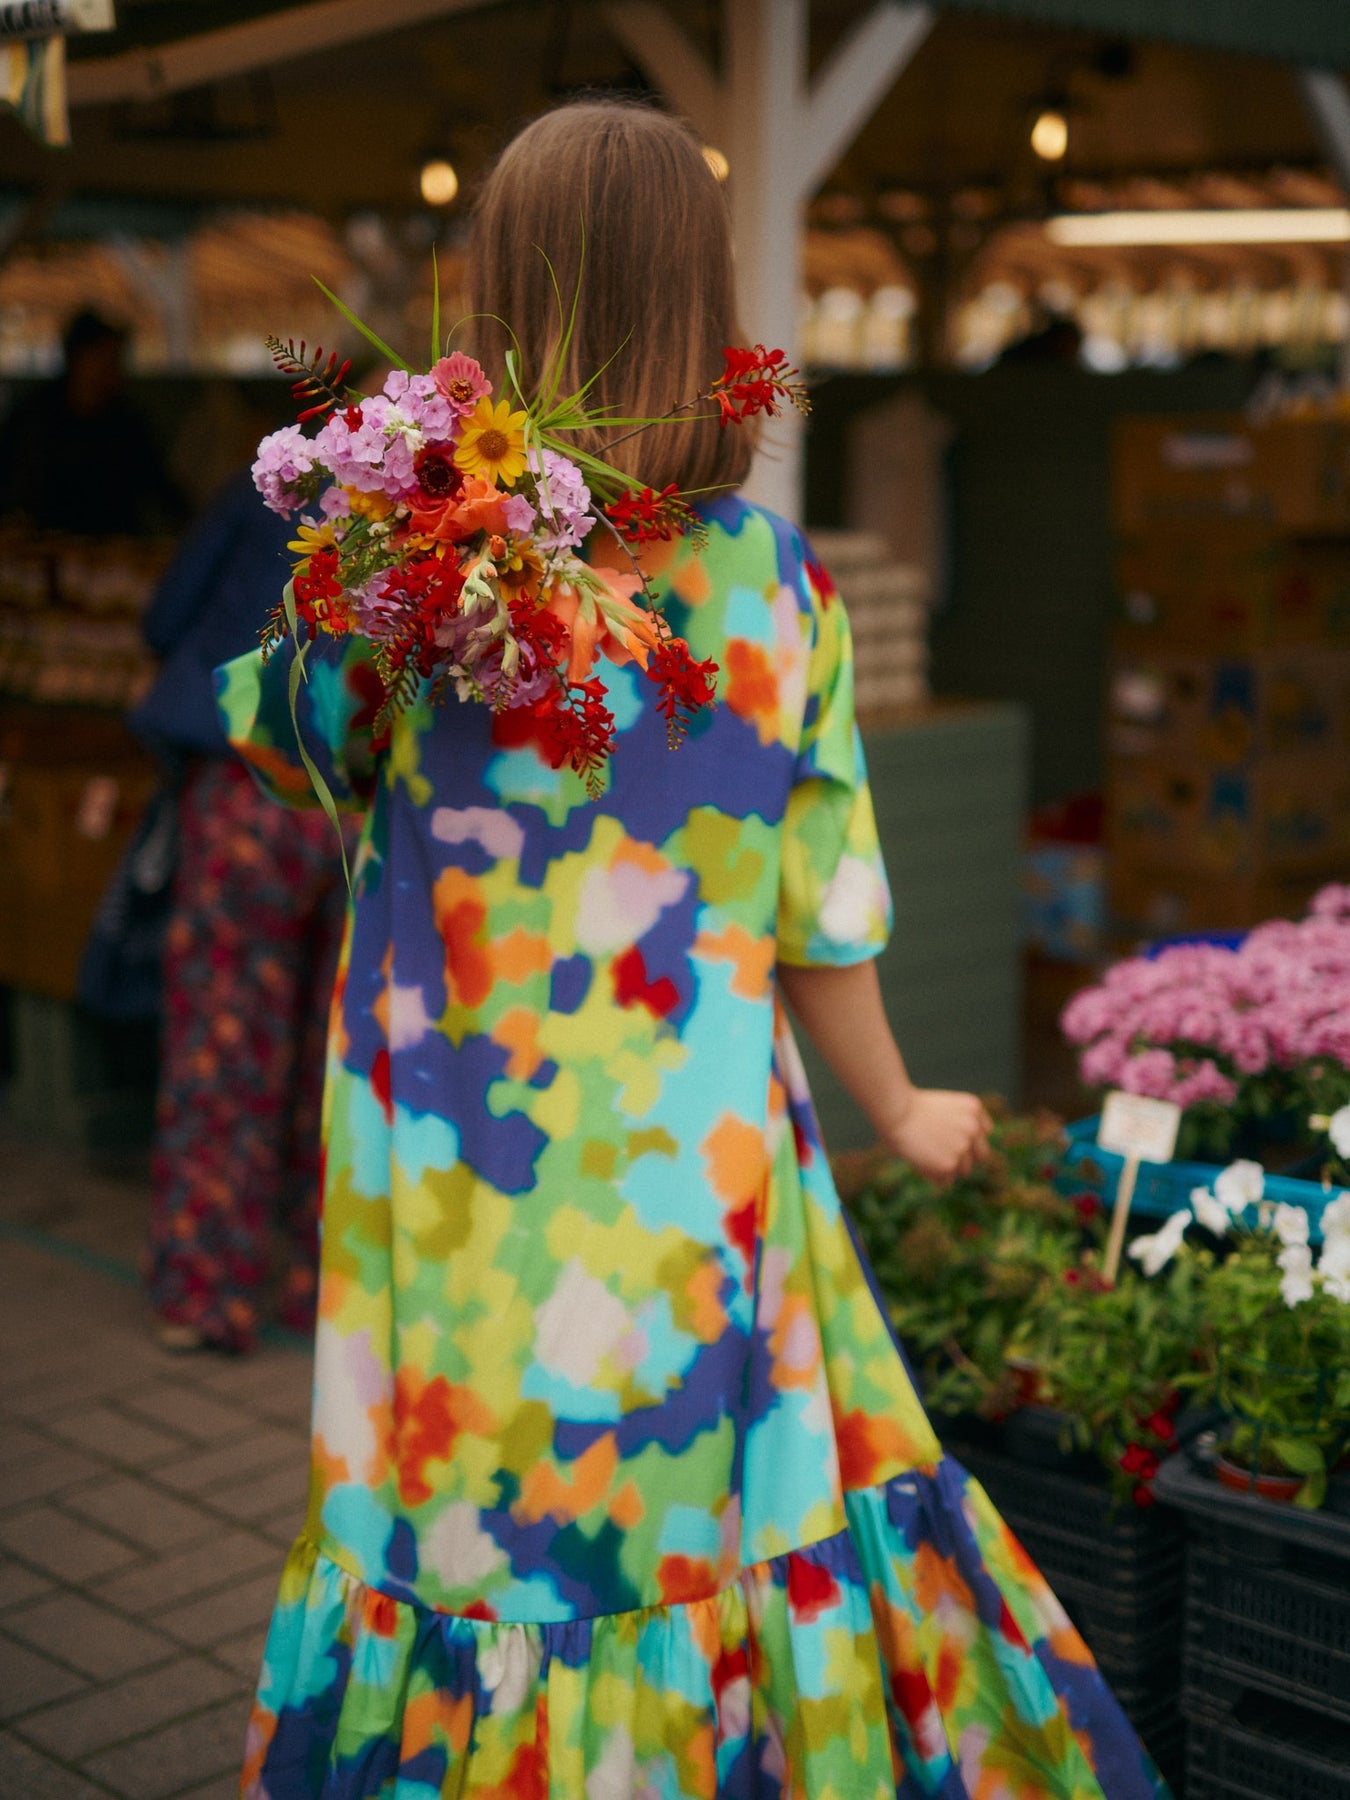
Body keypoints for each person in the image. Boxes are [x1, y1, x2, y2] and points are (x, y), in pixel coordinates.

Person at [221, 103, 1168, 1798]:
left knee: (468, 1543)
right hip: (695, 1184)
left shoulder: (410, 579)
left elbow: (295, 758)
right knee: (692, 1531)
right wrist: (897, 1108)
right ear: (701, 308)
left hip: (454, 1196)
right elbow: (823, 908)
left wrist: (374, 541)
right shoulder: (777, 592)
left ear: (498, 296)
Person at [132, 467, 348, 1354]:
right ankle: (315, 1286)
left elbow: (162, 616)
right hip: (359, 803)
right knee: (336, 1053)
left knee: (224, 1043)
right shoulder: (451, 511)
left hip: (248, 791)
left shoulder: (267, 490)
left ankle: (206, 1290)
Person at [0, 309, 183, 535]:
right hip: (47, 547)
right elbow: (17, 491)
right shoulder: (37, 418)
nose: (113, 371)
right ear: (79, 359)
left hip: (115, 548)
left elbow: (159, 486)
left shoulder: (126, 422)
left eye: (115, 361)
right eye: (104, 359)